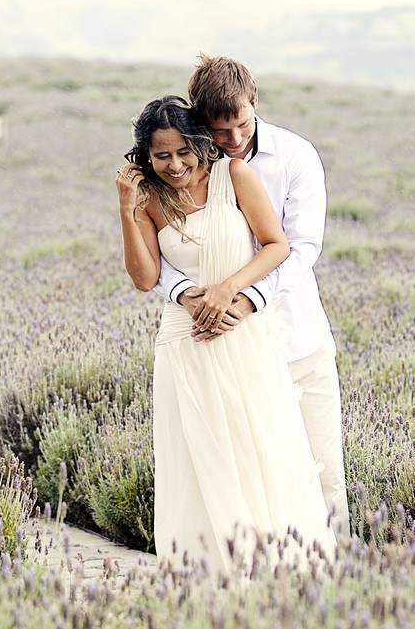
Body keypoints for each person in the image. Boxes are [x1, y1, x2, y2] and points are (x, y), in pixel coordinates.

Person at [116, 95, 335, 575]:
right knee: (198, 463)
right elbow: (144, 277)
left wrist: (229, 291)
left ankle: (281, 576)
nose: (174, 165)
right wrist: (126, 205)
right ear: (146, 156)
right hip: (184, 343)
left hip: (243, 336)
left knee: (262, 454)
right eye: (161, 156)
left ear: (198, 144)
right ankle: (208, 587)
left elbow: (279, 245)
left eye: (182, 153)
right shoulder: (149, 199)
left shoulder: (232, 175)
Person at [155, 54, 349, 531]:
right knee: (248, 485)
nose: (235, 141)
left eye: (242, 124)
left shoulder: (296, 155)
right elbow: (161, 256)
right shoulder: (188, 169)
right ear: (201, 122)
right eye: (221, 133)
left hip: (298, 341)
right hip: (228, 357)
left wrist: (243, 299)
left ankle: (338, 590)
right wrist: (186, 293)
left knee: (321, 475)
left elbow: (301, 248)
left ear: (254, 103)